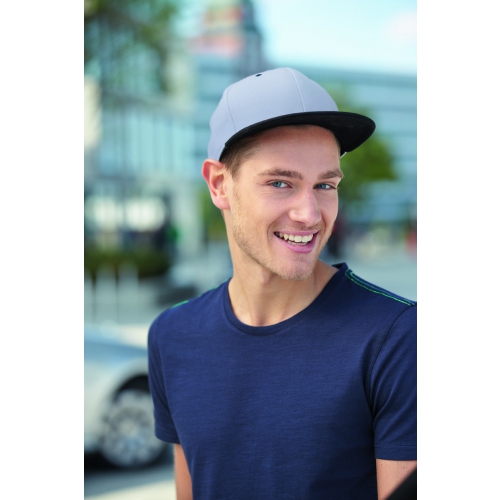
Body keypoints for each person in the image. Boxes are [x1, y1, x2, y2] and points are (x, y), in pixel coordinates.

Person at [148, 67, 416, 500]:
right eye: (280, 183)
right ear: (219, 185)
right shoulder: (172, 335)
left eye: (325, 184)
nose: (309, 214)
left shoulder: (399, 338)